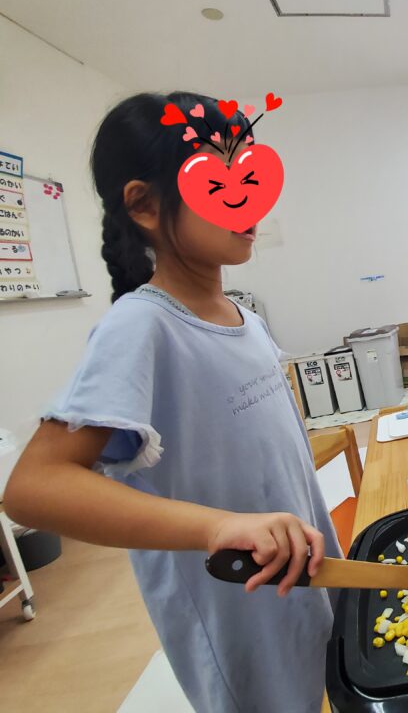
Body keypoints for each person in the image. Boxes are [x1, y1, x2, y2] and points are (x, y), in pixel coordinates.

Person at [4, 92, 340, 713]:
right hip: (237, 611)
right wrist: (217, 526)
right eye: (219, 180)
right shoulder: (141, 326)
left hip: (299, 580)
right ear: (145, 205)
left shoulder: (246, 318)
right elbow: (33, 487)